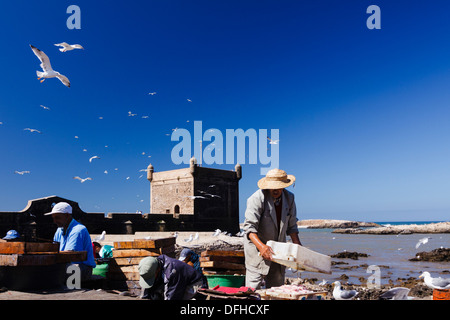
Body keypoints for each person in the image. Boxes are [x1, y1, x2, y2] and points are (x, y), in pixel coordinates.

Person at [243, 168, 301, 289]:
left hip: (279, 251)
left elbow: (292, 226)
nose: (276, 190)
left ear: (284, 186)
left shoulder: (290, 198)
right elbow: (249, 228)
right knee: (252, 291)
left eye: (279, 187)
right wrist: (262, 247)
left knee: (277, 289)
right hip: (256, 250)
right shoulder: (256, 198)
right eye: (273, 187)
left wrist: (298, 246)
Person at [44, 202, 96, 282]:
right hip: (67, 265)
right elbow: (54, 250)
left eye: (57, 218)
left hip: (83, 268)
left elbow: (69, 255)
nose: (54, 221)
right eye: (53, 218)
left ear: (67, 215)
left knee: (56, 272)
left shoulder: (78, 230)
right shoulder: (59, 230)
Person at [138, 254, 206, 300]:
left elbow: (171, 296)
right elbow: (146, 293)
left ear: (157, 270)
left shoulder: (172, 272)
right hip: (178, 282)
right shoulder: (152, 266)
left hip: (195, 284)